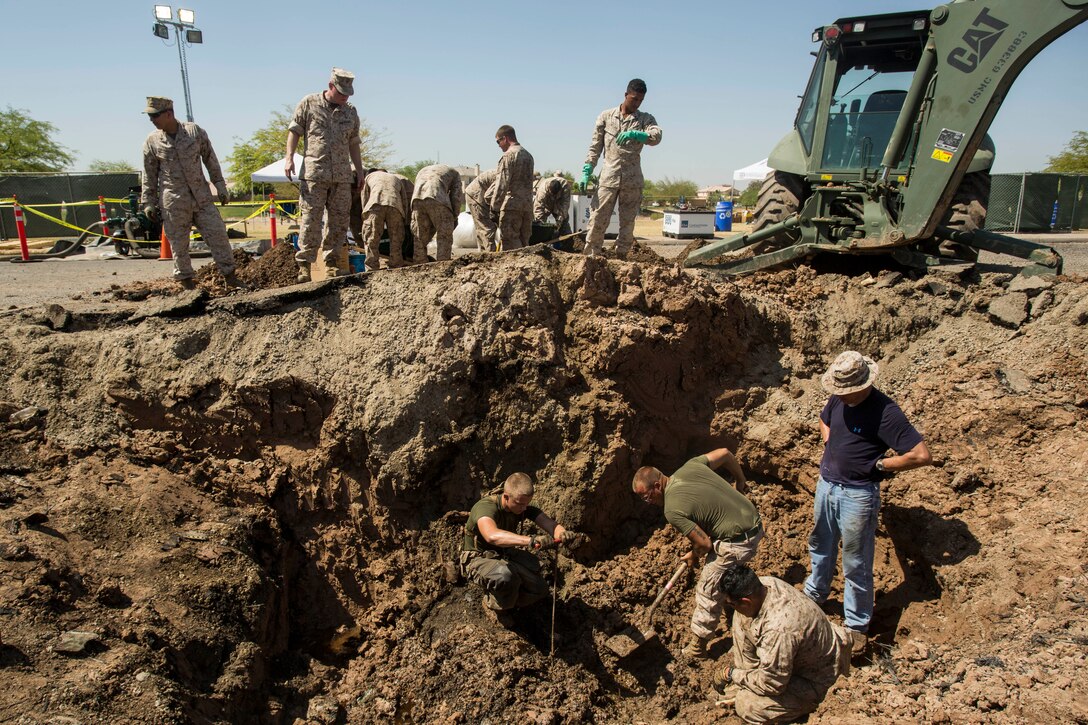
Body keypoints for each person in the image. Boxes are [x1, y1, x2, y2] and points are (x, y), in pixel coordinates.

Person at [804, 351, 932, 653]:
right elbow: (824, 420)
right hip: (827, 486)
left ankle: (856, 625)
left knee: (855, 560)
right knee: (820, 543)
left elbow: (921, 455)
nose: (843, 396)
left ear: (864, 383)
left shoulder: (886, 412)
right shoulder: (838, 398)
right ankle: (815, 594)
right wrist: (829, 440)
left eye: (848, 392)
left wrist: (881, 466)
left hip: (857, 495)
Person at [632, 448, 764, 659]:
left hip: (740, 542)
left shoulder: (672, 510)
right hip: (754, 521)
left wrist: (693, 555)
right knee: (725, 571)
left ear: (657, 486)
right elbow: (725, 453)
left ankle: (698, 647)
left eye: (647, 497)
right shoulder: (691, 466)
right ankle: (738, 593)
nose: (647, 503)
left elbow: (704, 544)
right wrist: (740, 480)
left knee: (707, 587)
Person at [715, 563, 851, 724]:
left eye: (731, 604)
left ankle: (807, 705)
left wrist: (732, 674)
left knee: (746, 705)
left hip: (817, 679)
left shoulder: (779, 628)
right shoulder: (765, 584)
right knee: (741, 617)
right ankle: (750, 679)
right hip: (803, 654)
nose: (729, 608)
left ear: (746, 600)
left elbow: (773, 684)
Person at [140, 96, 243, 289]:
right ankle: (187, 283)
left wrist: (220, 185)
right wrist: (148, 202)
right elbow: (149, 175)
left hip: (202, 198)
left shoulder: (194, 132)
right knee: (178, 245)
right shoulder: (152, 141)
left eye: (155, 115)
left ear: (168, 114)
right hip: (174, 201)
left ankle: (230, 277)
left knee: (219, 236)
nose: (151, 119)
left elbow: (210, 158)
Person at [461, 473, 582, 620]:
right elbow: (491, 535)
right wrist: (530, 540)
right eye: (520, 503)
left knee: (540, 589)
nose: (524, 508)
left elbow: (549, 524)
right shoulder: (485, 507)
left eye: (527, 504)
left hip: (504, 555)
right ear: (506, 497)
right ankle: (493, 605)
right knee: (505, 576)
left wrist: (562, 533)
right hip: (478, 558)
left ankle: (510, 604)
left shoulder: (520, 507)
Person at [285, 67, 365, 283]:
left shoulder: (350, 112)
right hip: (315, 174)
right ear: (331, 86)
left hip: (342, 177)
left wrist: (359, 170)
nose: (345, 97)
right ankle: (305, 267)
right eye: (341, 92)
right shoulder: (309, 103)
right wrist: (289, 157)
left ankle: (332, 264)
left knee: (338, 223)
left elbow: (354, 144)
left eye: (348, 93)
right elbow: (294, 131)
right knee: (310, 221)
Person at [581, 78, 662, 259]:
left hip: (632, 180)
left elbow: (657, 136)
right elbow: (595, 147)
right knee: (598, 218)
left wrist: (638, 134)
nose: (637, 103)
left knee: (627, 223)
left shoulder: (644, 119)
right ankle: (590, 257)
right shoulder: (606, 116)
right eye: (634, 99)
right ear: (626, 95)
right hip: (608, 178)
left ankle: (621, 257)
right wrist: (587, 170)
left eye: (640, 100)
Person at [491, 125, 535, 251]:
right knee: (524, 243)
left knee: (510, 245)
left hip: (511, 207)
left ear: (505, 138)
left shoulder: (508, 156)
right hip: (526, 208)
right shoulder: (528, 156)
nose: (499, 145)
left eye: (498, 141)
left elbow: (501, 184)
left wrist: (494, 208)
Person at [410, 164, 463, 263]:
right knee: (444, 234)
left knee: (419, 235)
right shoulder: (454, 173)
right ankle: (442, 263)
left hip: (416, 200)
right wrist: (454, 216)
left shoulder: (422, 170)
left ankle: (419, 263)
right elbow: (456, 196)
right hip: (437, 197)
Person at [360, 169, 411, 271]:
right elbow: (404, 199)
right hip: (395, 206)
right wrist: (405, 219)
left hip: (375, 205)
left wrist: (365, 215)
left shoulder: (369, 177)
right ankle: (395, 265)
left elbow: (364, 197)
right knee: (396, 238)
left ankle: (371, 267)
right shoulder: (396, 178)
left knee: (372, 238)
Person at [465, 168, 499, 252]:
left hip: (480, 193)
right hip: (476, 195)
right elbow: (489, 196)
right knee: (487, 228)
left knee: (483, 228)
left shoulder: (513, 175)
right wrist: (495, 212)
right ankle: (490, 256)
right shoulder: (504, 176)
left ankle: (483, 254)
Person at [533, 172, 573, 237]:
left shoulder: (565, 187)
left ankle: (567, 241)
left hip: (559, 204)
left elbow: (565, 205)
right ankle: (542, 239)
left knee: (564, 223)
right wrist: (540, 223)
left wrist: (559, 222)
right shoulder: (542, 192)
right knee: (540, 225)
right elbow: (538, 209)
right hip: (547, 204)